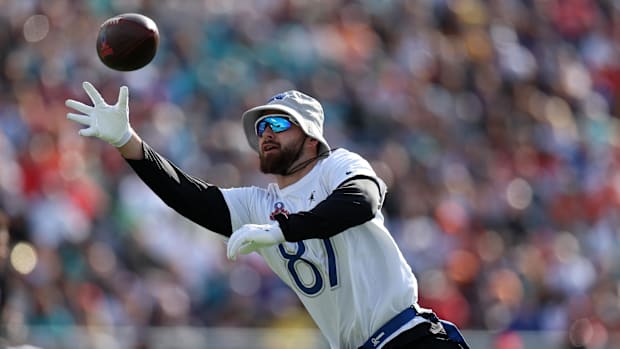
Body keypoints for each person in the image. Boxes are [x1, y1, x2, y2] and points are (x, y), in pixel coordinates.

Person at [65, 81, 470, 349]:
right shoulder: (257, 204)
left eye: (277, 123)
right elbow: (188, 196)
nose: (265, 134)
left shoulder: (337, 167)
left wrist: (283, 230)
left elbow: (362, 200)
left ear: (311, 136)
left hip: (409, 336)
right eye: (260, 129)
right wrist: (127, 142)